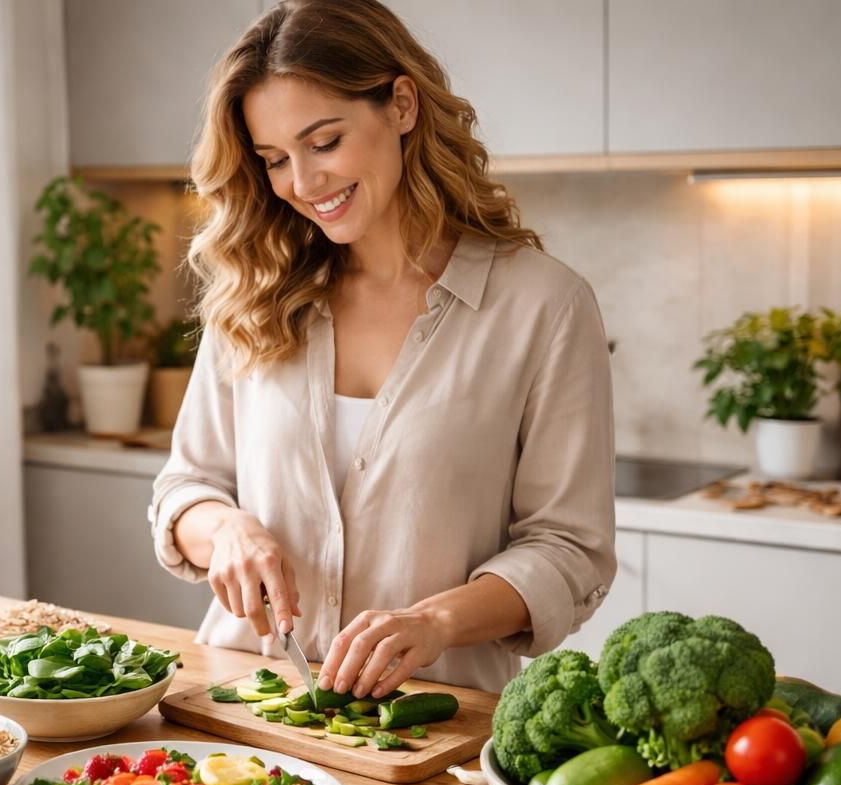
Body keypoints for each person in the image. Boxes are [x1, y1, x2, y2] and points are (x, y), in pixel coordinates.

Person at [148, 0, 616, 699]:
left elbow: (570, 551)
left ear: (401, 105)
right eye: (275, 159)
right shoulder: (256, 290)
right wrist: (228, 532)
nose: (303, 185)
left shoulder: (543, 306)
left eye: (325, 142)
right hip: (243, 707)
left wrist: (434, 622)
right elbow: (185, 491)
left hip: (433, 721)